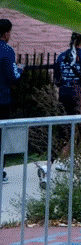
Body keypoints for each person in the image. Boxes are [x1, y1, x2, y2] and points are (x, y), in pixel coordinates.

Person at [0, 19, 22, 182]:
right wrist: (20, 70)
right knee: (1, 135)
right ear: (6, 33)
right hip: (2, 99)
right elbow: (13, 76)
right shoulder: (6, 50)